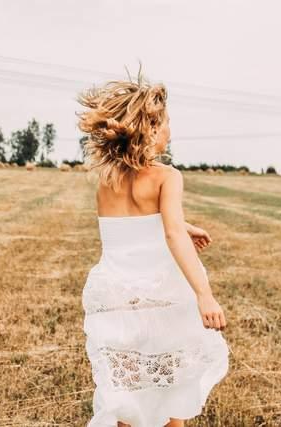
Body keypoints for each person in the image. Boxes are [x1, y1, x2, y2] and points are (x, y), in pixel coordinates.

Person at [78, 68, 230, 427]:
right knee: (172, 386)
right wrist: (204, 295)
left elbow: (130, 227)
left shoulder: (107, 182)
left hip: (117, 297)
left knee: (128, 391)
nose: (171, 130)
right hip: (163, 296)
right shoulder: (167, 177)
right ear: (151, 129)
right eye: (167, 123)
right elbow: (172, 234)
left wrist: (183, 225)